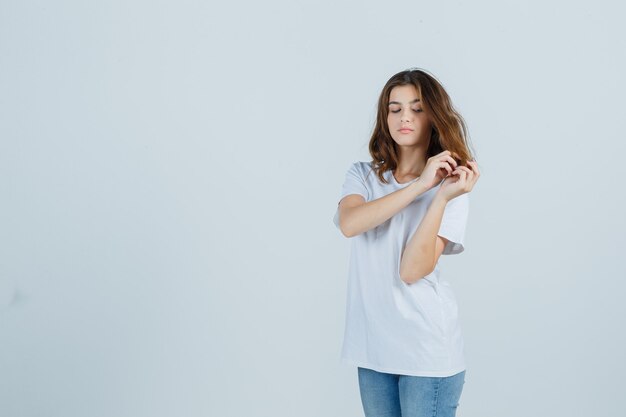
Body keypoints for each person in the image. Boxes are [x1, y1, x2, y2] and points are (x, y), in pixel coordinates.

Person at [333, 68, 481, 417]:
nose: (404, 117)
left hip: (426, 352)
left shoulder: (453, 190)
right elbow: (350, 224)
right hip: (372, 351)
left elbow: (412, 270)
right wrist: (419, 186)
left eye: (416, 108)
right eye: (394, 108)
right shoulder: (363, 176)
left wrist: (440, 197)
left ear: (434, 115)